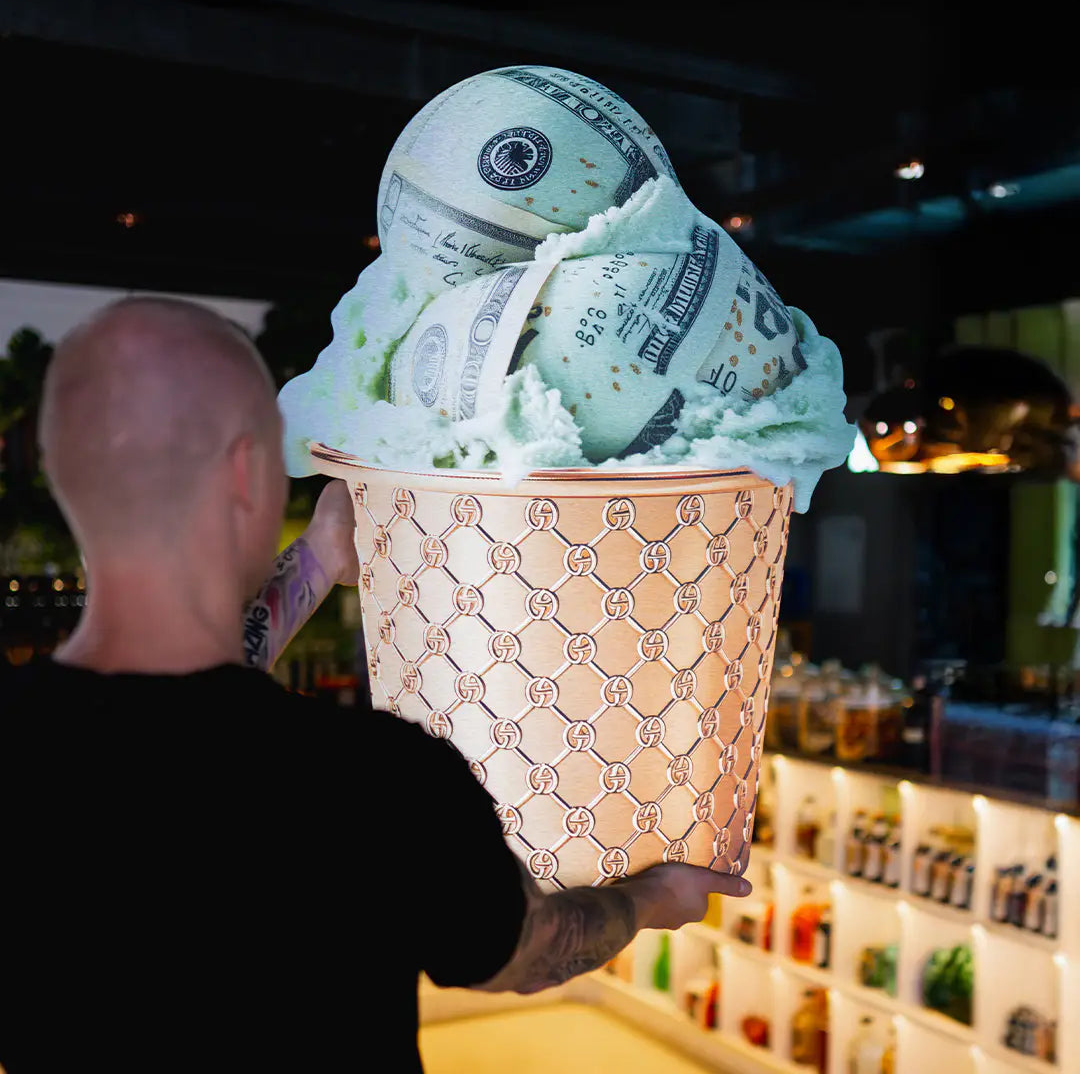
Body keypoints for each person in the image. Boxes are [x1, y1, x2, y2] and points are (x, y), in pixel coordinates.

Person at [1, 296, 751, 1074]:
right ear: (247, 471)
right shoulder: (377, 779)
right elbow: (523, 953)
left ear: (62, 476)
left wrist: (323, 554)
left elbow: (157, 733)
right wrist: (650, 899)